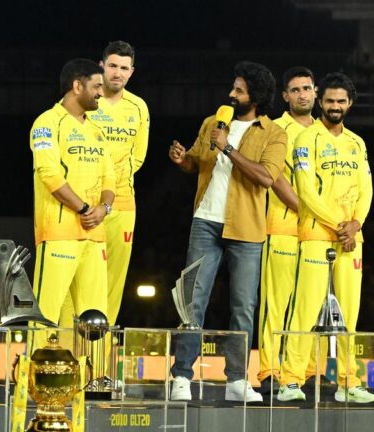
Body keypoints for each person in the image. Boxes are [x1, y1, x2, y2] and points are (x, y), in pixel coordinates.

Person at [168, 61, 287, 402]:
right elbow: (197, 161)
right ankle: (181, 376)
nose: (231, 94)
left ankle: (236, 379)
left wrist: (228, 148)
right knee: (192, 301)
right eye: (233, 87)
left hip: (247, 228)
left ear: (256, 97)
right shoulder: (213, 122)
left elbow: (266, 177)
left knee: (243, 306)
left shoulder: (274, 133)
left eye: (239, 90)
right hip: (205, 221)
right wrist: (183, 160)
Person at [278, 72, 374, 403]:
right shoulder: (306, 140)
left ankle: (349, 382)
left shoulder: (357, 143)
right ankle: (290, 380)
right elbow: (305, 191)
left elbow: (366, 189)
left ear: (350, 103)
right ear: (321, 102)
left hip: (351, 239)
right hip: (317, 235)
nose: (335, 106)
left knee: (348, 313)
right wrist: (339, 225)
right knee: (306, 310)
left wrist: (356, 224)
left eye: (341, 101)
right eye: (330, 100)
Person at [58, 42, 149, 361]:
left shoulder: (138, 107)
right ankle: (67, 356)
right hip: (81, 205)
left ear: (132, 72)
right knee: (73, 281)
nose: (117, 73)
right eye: (112, 66)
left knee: (111, 285)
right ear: (101, 66)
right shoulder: (86, 101)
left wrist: (110, 186)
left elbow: (138, 157)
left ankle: (97, 360)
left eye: (124, 68)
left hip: (121, 205)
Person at [28, 58, 115, 351]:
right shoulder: (46, 123)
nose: (101, 93)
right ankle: (38, 372)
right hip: (59, 233)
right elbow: (49, 174)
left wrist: (104, 209)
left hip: (95, 235)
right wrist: (84, 209)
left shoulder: (97, 131)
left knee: (95, 319)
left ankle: (89, 373)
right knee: (46, 313)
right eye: (96, 86)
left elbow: (110, 179)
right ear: (77, 86)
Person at [257, 66, 315, 394]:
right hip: (282, 225)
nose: (302, 94)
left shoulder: (323, 131)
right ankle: (269, 370)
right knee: (276, 303)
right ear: (285, 96)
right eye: (295, 90)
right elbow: (275, 177)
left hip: (316, 233)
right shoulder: (276, 128)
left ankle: (301, 372)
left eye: (307, 88)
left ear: (316, 92)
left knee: (308, 305)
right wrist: (308, 210)